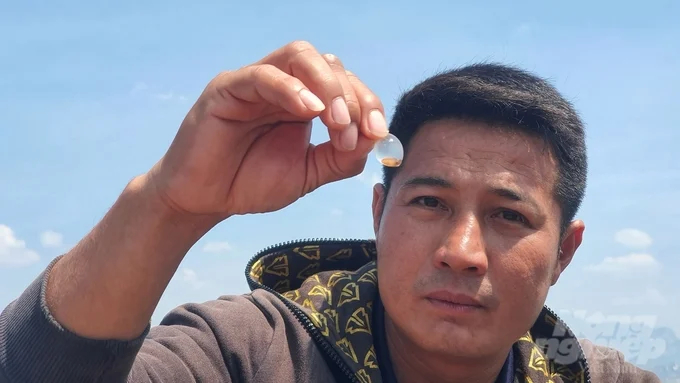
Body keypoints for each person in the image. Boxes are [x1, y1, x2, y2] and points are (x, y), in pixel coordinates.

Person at [0, 40, 660, 383]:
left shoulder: (594, 374)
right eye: (429, 202)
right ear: (379, 211)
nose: (462, 248)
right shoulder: (248, 351)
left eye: (509, 216)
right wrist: (168, 204)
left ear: (565, 253)